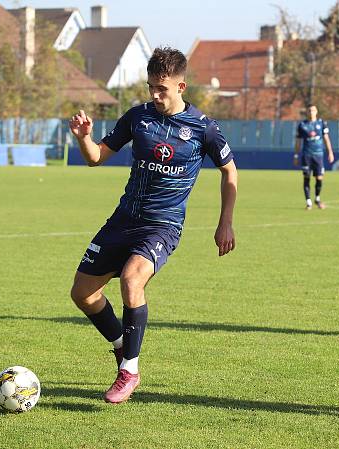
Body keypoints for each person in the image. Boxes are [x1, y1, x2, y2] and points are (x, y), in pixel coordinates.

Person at [68, 47, 237, 404]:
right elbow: (96, 158)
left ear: (181, 86)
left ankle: (129, 369)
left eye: (162, 88)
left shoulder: (204, 128)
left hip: (163, 225)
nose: (155, 95)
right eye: (151, 88)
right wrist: (84, 138)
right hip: (123, 219)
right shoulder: (138, 118)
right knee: (82, 294)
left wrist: (226, 223)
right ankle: (121, 346)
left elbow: (229, 171)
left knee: (132, 280)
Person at [294, 104, 334, 210]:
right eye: (309, 110)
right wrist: (296, 155)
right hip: (307, 155)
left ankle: (317, 198)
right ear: (307, 112)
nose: (311, 112)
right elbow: (298, 141)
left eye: (313, 110)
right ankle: (308, 202)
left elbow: (326, 138)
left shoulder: (321, 123)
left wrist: (330, 152)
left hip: (318, 155)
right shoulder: (302, 125)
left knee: (319, 178)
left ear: (316, 112)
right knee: (306, 178)